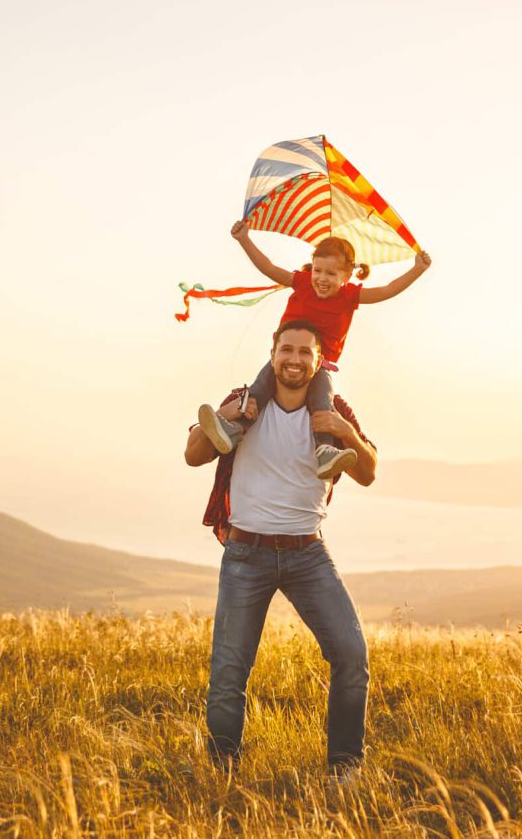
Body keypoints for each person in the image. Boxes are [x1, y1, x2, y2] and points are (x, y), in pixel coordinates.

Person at [185, 319, 378, 777]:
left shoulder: (333, 408)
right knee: (229, 670)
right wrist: (230, 413)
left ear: (318, 360)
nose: (294, 359)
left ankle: (345, 768)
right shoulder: (247, 401)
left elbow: (368, 472)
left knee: (351, 656)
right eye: (286, 350)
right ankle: (222, 769)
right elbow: (193, 453)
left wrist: (346, 434)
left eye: (304, 352)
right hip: (245, 554)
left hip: (307, 554)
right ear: (272, 353)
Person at [196, 221, 430, 481]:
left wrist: (417, 269)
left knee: (322, 405)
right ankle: (234, 430)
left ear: (347, 276)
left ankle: (325, 451)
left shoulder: (349, 296)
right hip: (282, 362)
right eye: (318, 270)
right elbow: (269, 268)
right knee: (257, 393)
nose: (321, 278)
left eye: (331, 273)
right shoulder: (302, 283)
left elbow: (387, 290)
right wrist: (244, 239)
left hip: (320, 367)